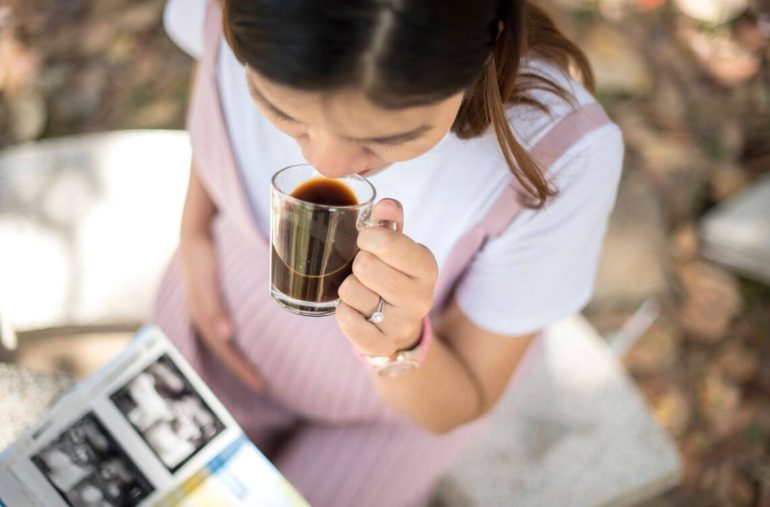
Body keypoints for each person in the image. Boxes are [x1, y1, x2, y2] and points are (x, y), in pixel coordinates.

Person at [154, 0, 624, 505]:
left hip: (389, 411)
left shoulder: (556, 157)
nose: (327, 164)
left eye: (389, 138)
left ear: (494, 43)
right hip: (213, 322)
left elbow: (465, 395)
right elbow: (213, 91)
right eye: (282, 112)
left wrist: (397, 342)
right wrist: (196, 233)